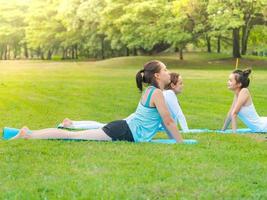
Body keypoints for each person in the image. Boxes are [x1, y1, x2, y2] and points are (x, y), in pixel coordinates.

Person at [11, 60, 183, 142]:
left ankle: (29, 133)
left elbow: (166, 122)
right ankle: (29, 134)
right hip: (123, 131)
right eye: (166, 70)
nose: (169, 73)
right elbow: (168, 121)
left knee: (74, 135)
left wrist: (176, 141)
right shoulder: (157, 94)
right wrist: (181, 143)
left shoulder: (152, 91)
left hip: (123, 128)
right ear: (157, 75)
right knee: (73, 136)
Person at [61, 73, 189, 133]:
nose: (183, 86)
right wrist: (187, 131)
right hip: (137, 121)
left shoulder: (165, 93)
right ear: (172, 85)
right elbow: (179, 115)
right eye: (181, 83)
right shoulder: (170, 94)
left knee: (103, 125)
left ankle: (73, 123)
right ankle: (72, 125)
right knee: (103, 127)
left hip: (137, 119)